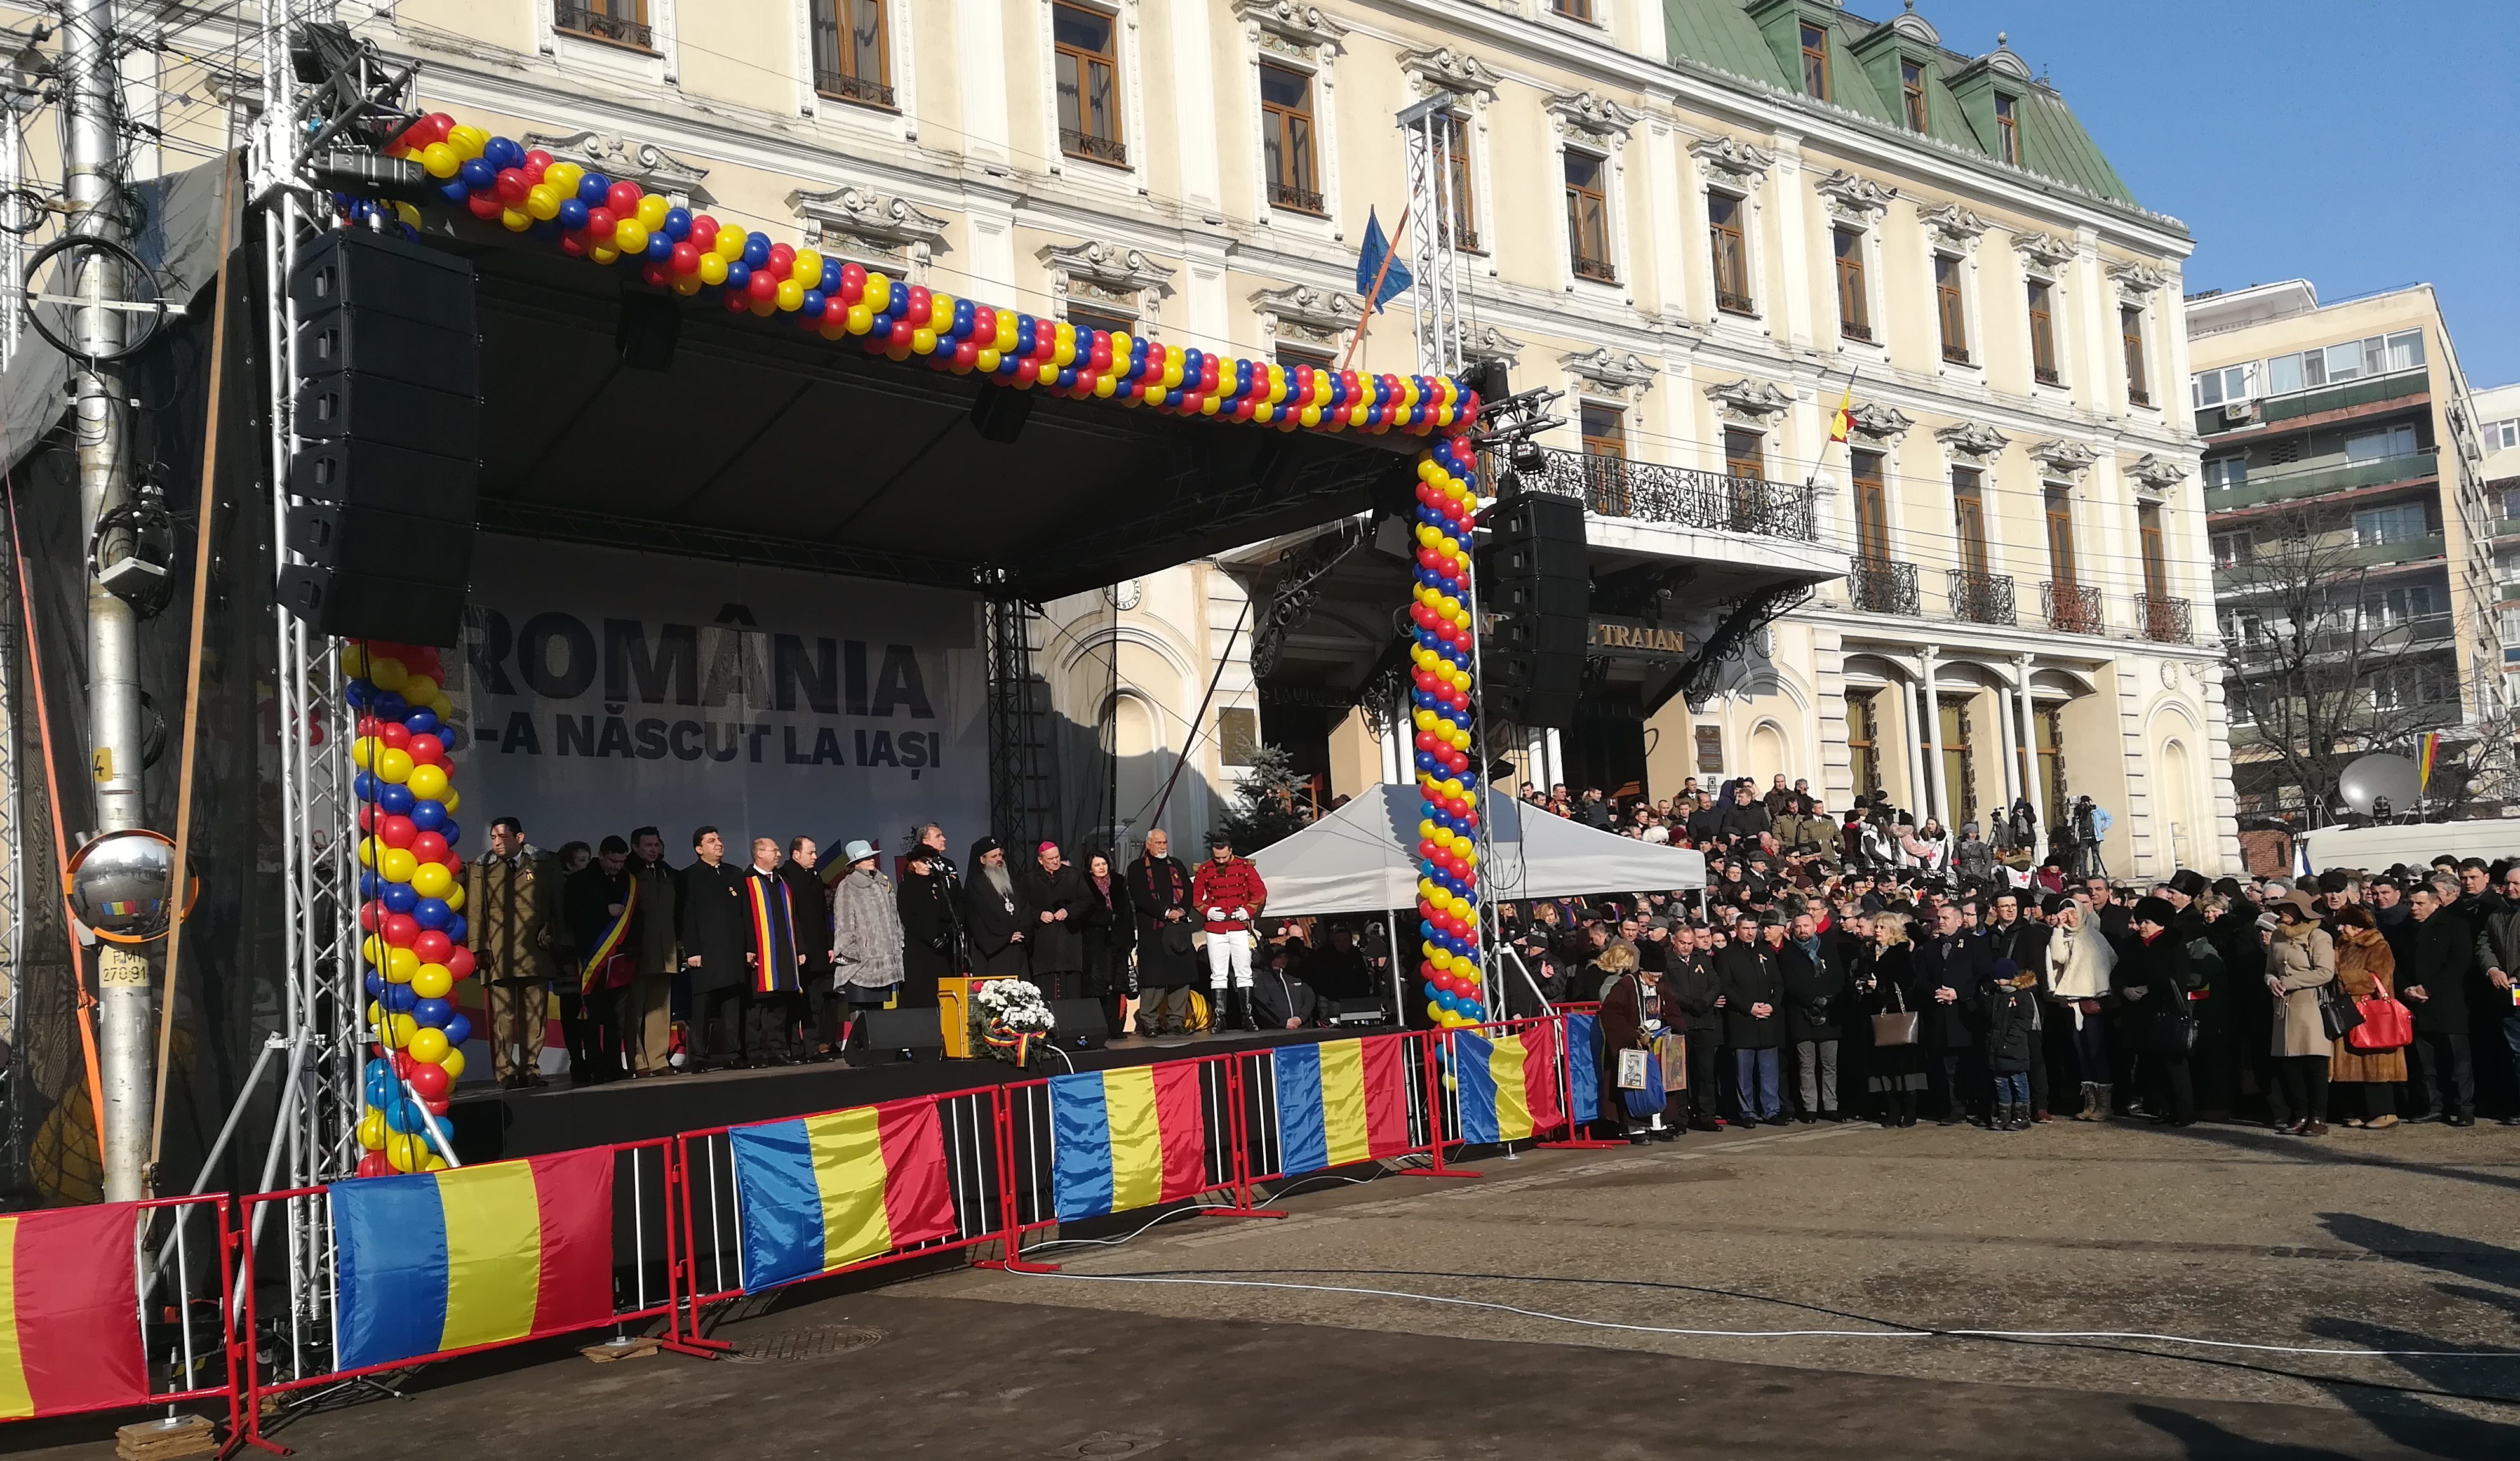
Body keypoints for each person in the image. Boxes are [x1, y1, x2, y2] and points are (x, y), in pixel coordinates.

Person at [466, 816, 561, 1088]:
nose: (496, 843)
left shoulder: (543, 864)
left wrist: (557, 936)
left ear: (520, 838)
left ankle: (530, 1068)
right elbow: (475, 912)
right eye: (494, 838)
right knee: (503, 1018)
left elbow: (558, 904)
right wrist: (478, 947)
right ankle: (505, 1071)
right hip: (497, 953)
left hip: (536, 950)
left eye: (503, 837)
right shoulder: (482, 868)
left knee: (535, 1015)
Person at [559, 834, 634, 1084]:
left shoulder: (628, 880)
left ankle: (614, 1065)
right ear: (600, 856)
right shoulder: (581, 881)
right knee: (589, 1017)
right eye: (613, 861)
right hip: (590, 956)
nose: (617, 866)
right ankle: (593, 1065)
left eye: (622, 862)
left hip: (619, 958)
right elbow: (571, 914)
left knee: (615, 1017)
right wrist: (604, 910)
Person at [2402, 877, 2476, 1126]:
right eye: (2410, 903)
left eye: (2420, 903)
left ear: (2436, 903)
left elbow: (2457, 963)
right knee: (2425, 1064)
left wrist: (2429, 988)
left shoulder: (2455, 926)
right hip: (2416, 1005)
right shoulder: (2405, 929)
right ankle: (2433, 1106)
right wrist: (2407, 989)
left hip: (2447, 1004)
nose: (2414, 908)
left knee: (2458, 1062)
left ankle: (2463, 1107)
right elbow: (2399, 965)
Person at [2263, 889, 2337, 1135]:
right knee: (2290, 1066)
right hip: (2283, 1009)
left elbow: (2325, 972)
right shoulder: (2277, 936)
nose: (2281, 911)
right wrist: (2271, 980)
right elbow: (2270, 969)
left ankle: (2318, 1117)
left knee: (2314, 1064)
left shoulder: (2319, 936)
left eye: (2287, 906)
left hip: (2310, 1008)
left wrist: (2290, 982)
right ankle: (2300, 1114)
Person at [2119, 895, 2197, 1127]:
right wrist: (2124, 989)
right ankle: (2162, 1108)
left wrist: (2149, 988)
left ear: (2161, 923)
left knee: (2175, 1066)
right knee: (2152, 1065)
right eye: (2140, 921)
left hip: (2167, 1012)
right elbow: (2119, 971)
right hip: (2140, 1014)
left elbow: (2177, 978)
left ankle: (2184, 1112)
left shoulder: (2173, 943)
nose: (2142, 926)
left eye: (2148, 922)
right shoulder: (2133, 944)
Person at [2328, 905, 2404, 1130]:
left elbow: (2377, 977)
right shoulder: (2342, 945)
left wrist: (2341, 976)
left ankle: (2385, 1112)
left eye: (2345, 924)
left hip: (2372, 1012)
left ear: (2358, 926)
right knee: (2356, 1063)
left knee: (2376, 1062)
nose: (2341, 929)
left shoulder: (2379, 946)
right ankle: (2362, 1110)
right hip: (2349, 1012)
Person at [2044, 893, 2117, 1120]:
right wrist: (2058, 928)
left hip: (2093, 1002)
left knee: (2098, 1053)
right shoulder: (2062, 937)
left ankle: (2105, 1106)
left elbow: (2110, 960)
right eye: (2067, 912)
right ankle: (2090, 1103)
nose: (2072, 917)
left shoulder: (2095, 937)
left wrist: (2095, 983)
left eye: (2074, 911)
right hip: (2071, 1003)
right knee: (2081, 1053)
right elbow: (2058, 958)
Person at [1912, 902, 1987, 1125]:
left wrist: (1958, 993)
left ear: (1959, 921)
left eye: (1946, 918)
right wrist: (1937, 992)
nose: (1941, 921)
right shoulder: (1929, 948)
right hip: (1940, 1014)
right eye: (1939, 918)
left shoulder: (1976, 945)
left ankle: (1980, 1106)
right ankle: (1956, 1107)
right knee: (1948, 1067)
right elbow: (1921, 979)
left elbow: (1982, 975)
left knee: (1973, 1063)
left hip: (1967, 1014)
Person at [735, 837, 806, 1065]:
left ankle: (778, 1051)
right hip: (758, 953)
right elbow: (742, 918)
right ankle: (755, 1053)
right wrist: (747, 948)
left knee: (779, 1005)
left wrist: (801, 948)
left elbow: (794, 918)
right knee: (757, 1006)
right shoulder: (745, 882)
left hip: (783, 952)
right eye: (774, 850)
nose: (778, 855)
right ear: (759, 854)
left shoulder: (782, 882)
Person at [618, 828, 681, 1076]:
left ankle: (658, 1060)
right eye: (648, 845)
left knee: (660, 1008)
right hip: (638, 950)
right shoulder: (628, 873)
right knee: (634, 1009)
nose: (653, 850)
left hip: (665, 950)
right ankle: (638, 1061)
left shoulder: (667, 873)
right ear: (635, 847)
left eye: (656, 845)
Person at [829, 839, 904, 1048]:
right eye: (865, 858)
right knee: (861, 1007)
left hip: (884, 958)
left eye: (871, 856)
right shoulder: (848, 885)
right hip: (862, 960)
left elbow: (894, 917)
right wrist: (851, 951)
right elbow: (844, 921)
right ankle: (860, 1048)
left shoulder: (883, 883)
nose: (871, 860)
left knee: (879, 1008)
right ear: (856, 862)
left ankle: (878, 1047)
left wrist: (899, 941)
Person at [1856, 911, 1928, 1127]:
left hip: (1898, 1015)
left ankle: (1910, 1112)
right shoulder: (1869, 953)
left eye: (1882, 927)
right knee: (1883, 1069)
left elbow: (1908, 986)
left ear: (1893, 931)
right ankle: (1892, 1111)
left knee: (1904, 1067)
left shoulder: (1901, 954)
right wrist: (1860, 986)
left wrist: (1881, 988)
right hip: (1876, 1016)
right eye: (1876, 927)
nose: (1877, 931)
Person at [1718, 916, 1790, 1126]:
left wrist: (1772, 1005)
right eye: (1745, 928)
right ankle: (1747, 1111)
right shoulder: (1726, 955)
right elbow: (1727, 986)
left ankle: (1771, 1110)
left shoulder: (1765, 952)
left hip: (1767, 1019)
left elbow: (1778, 983)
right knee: (1744, 1072)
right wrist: (1749, 1007)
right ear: (1737, 929)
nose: (1750, 932)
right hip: (1743, 1020)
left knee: (1769, 1070)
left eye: (1753, 928)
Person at [1193, 836, 1269, 1032]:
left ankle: (1248, 1017)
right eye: (1216, 857)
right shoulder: (1205, 869)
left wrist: (1249, 910)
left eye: (1223, 857)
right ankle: (1220, 1019)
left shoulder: (1245, 866)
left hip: (1238, 925)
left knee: (1244, 971)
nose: (1220, 861)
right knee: (1218, 974)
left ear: (1230, 851)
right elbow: (1195, 897)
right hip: (1216, 928)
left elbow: (1260, 891)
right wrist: (1207, 910)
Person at [1127, 830, 1200, 1036]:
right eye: (1158, 843)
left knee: (1180, 976)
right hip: (1153, 931)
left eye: (1165, 842)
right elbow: (1140, 896)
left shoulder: (1176, 865)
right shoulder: (1137, 868)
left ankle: (1175, 1021)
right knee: (1154, 980)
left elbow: (1188, 890)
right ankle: (1150, 1021)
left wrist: (1181, 911)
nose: (1162, 846)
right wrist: (1166, 912)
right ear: (1148, 844)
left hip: (1178, 931)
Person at [1783, 910, 1847, 1122]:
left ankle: (1831, 1105)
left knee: (1830, 1064)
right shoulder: (1788, 952)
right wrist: (1811, 1001)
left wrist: (1828, 1000)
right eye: (1798, 927)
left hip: (1829, 1013)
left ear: (1814, 927)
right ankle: (1810, 1107)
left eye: (1806, 926)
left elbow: (1839, 977)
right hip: (1802, 1014)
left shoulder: (1829, 948)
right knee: (1806, 1064)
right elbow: (1790, 983)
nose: (1802, 930)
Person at [2472, 865, 2520, 1126]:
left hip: (2517, 985)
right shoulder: (2498, 914)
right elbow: (2484, 943)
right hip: (2507, 995)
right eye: (2508, 883)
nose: (2510, 889)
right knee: (2514, 1051)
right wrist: (2492, 969)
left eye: (2516, 884)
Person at [780, 837, 835, 1055]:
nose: (815, 857)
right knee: (795, 1001)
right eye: (810, 853)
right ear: (796, 854)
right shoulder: (786, 877)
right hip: (797, 949)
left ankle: (813, 1047)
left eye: (815, 853)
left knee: (816, 1000)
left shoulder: (815, 876)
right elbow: (791, 917)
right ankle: (794, 1047)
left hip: (818, 948)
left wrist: (829, 945)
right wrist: (799, 947)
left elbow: (823, 913)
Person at [1019, 841, 1092, 1001]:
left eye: (1057, 857)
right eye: (1051, 859)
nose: (1055, 861)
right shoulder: (1030, 879)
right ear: (1040, 860)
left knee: (1071, 992)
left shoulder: (1074, 875)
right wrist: (1039, 915)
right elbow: (1022, 908)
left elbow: (1086, 901)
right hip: (1044, 945)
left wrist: (1068, 911)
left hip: (1069, 942)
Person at [894, 839, 960, 1006]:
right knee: (920, 995)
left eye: (931, 862)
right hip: (919, 950)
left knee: (940, 995)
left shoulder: (937, 885)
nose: (928, 865)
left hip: (940, 951)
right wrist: (930, 937)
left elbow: (948, 912)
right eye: (924, 861)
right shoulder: (907, 887)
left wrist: (945, 933)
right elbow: (909, 919)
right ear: (914, 863)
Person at [1078, 852, 1136, 1037]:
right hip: (1096, 943)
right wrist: (1106, 918)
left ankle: (1116, 1027)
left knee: (1117, 986)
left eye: (1104, 863)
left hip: (1117, 943)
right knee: (1098, 985)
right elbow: (1085, 914)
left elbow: (1127, 912)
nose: (1102, 868)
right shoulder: (1084, 885)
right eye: (1097, 865)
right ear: (1090, 868)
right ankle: (1100, 1027)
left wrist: (1128, 940)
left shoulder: (1118, 883)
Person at [1982, 957, 2041, 1131]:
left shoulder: (2022, 996)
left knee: (2018, 1080)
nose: (1996, 981)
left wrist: (2010, 1041)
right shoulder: (1997, 996)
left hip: (2014, 1047)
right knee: (2000, 1081)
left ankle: (2022, 1115)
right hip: (1996, 1045)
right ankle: (2004, 1114)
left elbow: (2023, 1022)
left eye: (1999, 977)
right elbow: (1989, 1018)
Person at [962, 838, 1034, 979]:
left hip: (1016, 948)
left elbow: (1024, 908)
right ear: (982, 860)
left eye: (1000, 855)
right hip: (995, 951)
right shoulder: (976, 885)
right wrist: (1007, 936)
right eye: (994, 856)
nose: (999, 859)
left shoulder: (1010, 882)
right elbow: (982, 920)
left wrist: (1021, 930)